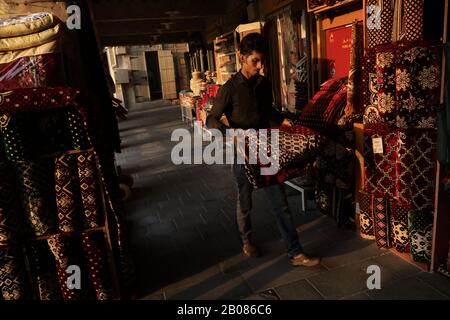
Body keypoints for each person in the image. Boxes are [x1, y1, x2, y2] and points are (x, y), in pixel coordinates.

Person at [206, 33, 320, 267]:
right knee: (245, 200)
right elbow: (211, 119)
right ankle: (246, 240)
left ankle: (295, 252)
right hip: (242, 152)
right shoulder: (229, 89)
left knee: (280, 203)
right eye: (254, 61)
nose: (260, 66)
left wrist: (283, 120)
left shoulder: (264, 84)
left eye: (262, 61)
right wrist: (231, 133)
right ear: (241, 58)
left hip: (266, 149)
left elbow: (269, 112)